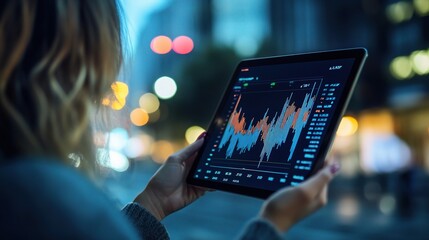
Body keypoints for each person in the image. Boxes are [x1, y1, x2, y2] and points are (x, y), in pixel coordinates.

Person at [0, 0, 340, 239]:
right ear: (74, 63)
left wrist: (153, 203)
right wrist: (273, 221)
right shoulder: (39, 197)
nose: (105, 92)